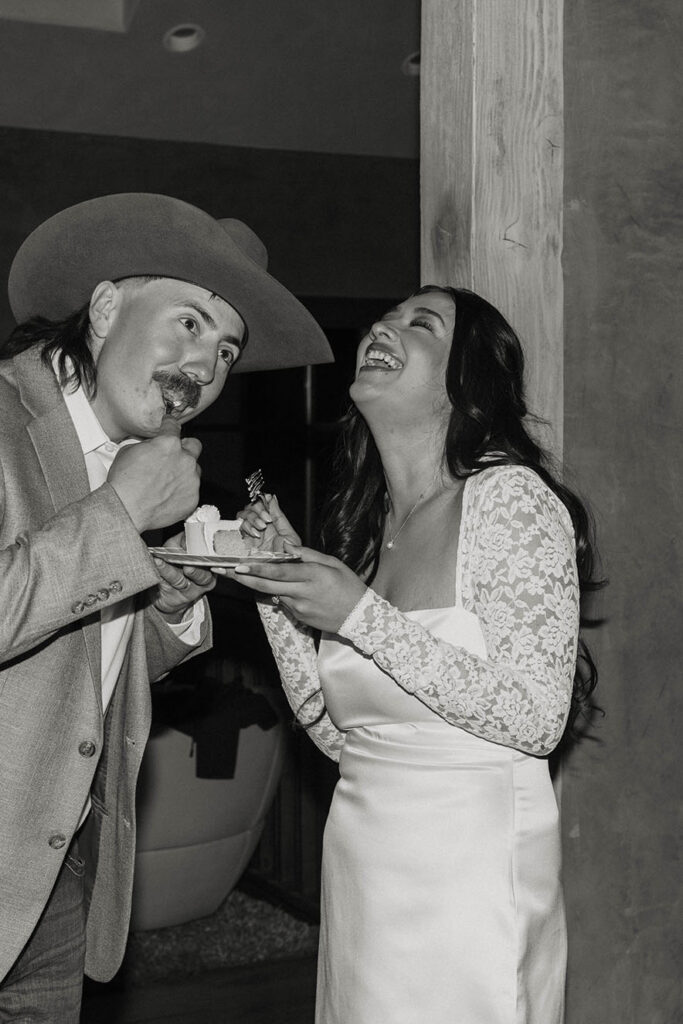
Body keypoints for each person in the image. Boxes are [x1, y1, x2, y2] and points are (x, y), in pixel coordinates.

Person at [0, 192, 332, 1020]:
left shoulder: (128, 463)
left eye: (225, 351)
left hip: (60, 875)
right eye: (189, 323)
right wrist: (118, 518)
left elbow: (76, 667)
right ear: (106, 308)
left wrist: (170, 610)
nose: (204, 367)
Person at [232, 286, 600, 1024]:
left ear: (467, 381)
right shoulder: (370, 530)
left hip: (468, 880)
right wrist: (278, 591)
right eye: (386, 316)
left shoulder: (509, 500)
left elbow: (536, 719)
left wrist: (358, 615)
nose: (383, 325)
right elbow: (343, 736)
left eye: (420, 322)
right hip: (364, 869)